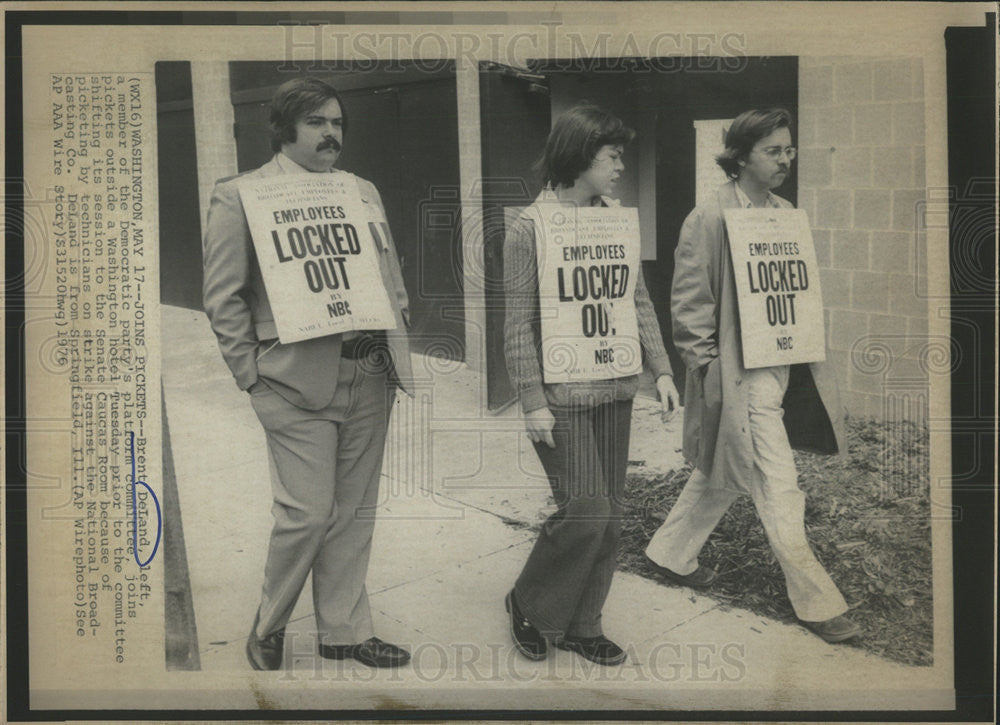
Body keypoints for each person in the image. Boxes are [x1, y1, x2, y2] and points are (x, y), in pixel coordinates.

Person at [202, 76, 414, 670]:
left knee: (353, 512)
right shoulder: (242, 195)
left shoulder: (361, 189)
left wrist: (398, 341)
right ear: (284, 128)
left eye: (338, 123)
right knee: (307, 513)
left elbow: (388, 271)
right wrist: (252, 380)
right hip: (294, 384)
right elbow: (223, 299)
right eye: (317, 123)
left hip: (369, 373)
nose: (331, 134)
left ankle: (344, 631)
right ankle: (269, 625)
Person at [644, 107, 861, 644]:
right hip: (740, 378)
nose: (786, 159)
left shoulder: (784, 212)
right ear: (741, 157)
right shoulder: (709, 218)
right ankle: (817, 603)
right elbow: (690, 306)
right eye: (774, 151)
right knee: (777, 484)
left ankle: (669, 553)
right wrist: (708, 371)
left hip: (781, 368)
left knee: (721, 470)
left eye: (789, 150)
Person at [503, 104, 679, 666]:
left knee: (611, 516)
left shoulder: (614, 220)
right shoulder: (529, 228)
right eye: (613, 156)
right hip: (560, 398)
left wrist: (664, 370)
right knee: (586, 511)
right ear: (580, 157)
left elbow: (637, 300)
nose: (621, 166)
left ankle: (584, 624)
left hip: (616, 390)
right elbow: (517, 324)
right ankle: (528, 601)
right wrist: (532, 401)